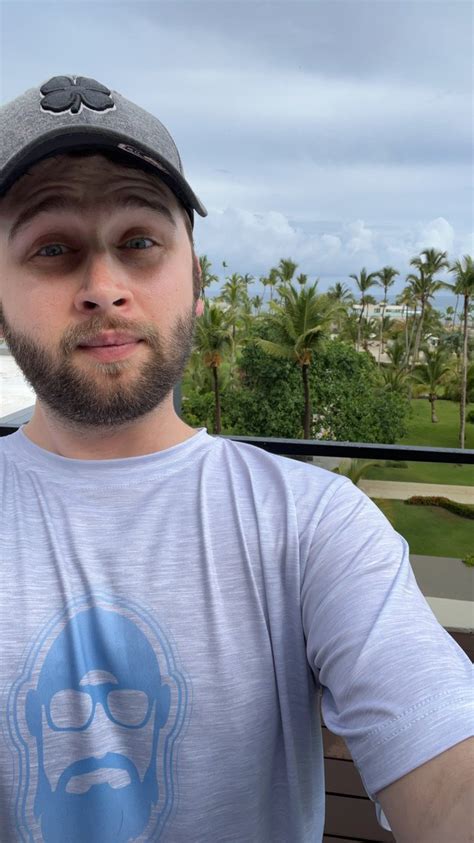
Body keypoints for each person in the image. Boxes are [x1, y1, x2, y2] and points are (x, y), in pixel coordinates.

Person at [0, 75, 472, 843]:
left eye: (140, 242)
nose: (103, 288)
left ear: (196, 282)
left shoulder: (312, 524)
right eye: (53, 248)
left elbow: (447, 758)